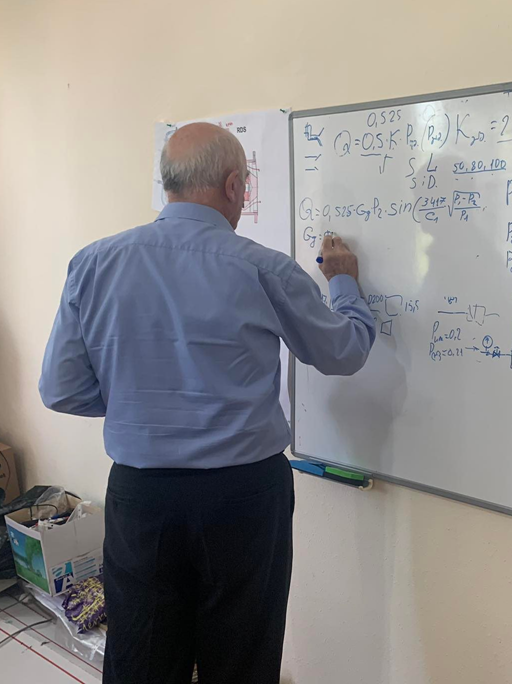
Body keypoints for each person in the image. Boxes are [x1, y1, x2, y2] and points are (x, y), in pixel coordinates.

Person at [39, 122, 375, 684]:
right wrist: (343, 285)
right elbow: (344, 352)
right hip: (244, 497)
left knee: (142, 656)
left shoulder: (94, 263)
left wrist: (140, 402)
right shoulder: (264, 268)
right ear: (234, 185)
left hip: (141, 496)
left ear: (168, 184)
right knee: (241, 658)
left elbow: (61, 389)